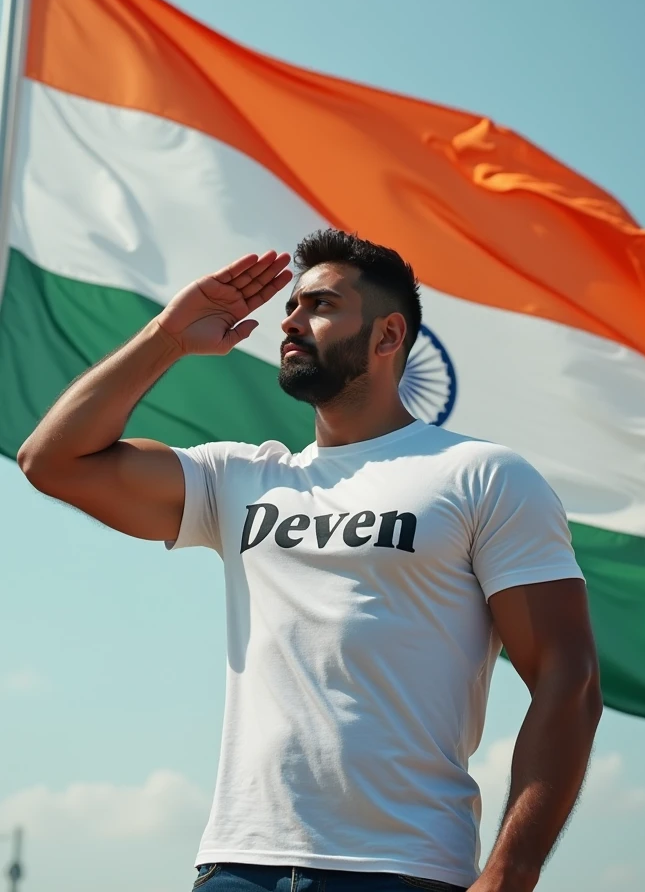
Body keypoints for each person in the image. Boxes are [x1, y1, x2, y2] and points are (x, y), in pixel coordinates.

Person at [18, 230, 602, 892]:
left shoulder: (483, 475)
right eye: (291, 305)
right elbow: (53, 461)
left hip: (403, 869)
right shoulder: (237, 478)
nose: (291, 320)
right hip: (237, 866)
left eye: (319, 304)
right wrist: (168, 337)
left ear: (388, 337)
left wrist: (510, 874)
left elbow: (569, 678)